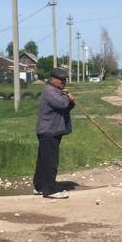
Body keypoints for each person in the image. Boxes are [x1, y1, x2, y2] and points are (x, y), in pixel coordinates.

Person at [33, 68, 75, 199]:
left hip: (52, 130)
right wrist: (67, 97)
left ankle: (39, 186)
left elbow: (67, 106)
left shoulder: (57, 91)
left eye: (65, 80)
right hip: (48, 131)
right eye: (61, 80)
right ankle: (50, 190)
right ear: (52, 79)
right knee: (51, 161)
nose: (63, 82)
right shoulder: (50, 91)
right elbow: (62, 104)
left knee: (43, 161)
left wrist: (70, 100)